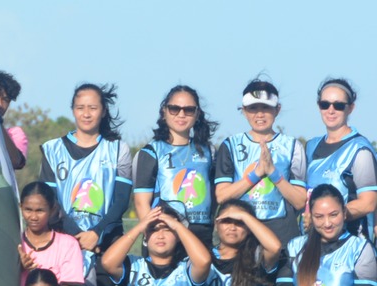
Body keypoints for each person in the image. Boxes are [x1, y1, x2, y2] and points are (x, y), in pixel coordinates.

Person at [40, 83, 132, 277]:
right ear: (73, 110)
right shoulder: (52, 149)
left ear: (104, 111)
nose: (86, 114)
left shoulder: (118, 149)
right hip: (64, 241)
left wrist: (97, 233)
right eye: (80, 108)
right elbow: (49, 200)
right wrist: (76, 237)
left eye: (93, 108)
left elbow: (122, 199)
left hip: (106, 243)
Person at [212, 79, 308, 241]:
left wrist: (272, 172)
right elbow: (222, 196)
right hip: (242, 235)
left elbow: (299, 201)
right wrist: (256, 174)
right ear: (244, 111)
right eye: (253, 108)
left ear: (277, 110)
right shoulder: (230, 145)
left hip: (282, 235)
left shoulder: (293, 146)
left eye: (266, 107)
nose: (260, 114)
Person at [133, 85, 217, 230]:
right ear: (164, 112)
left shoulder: (209, 151)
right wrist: (152, 235)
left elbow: (214, 197)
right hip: (165, 233)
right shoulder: (150, 152)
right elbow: (141, 203)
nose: (181, 114)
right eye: (174, 109)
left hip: (201, 234)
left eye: (189, 110)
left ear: (197, 115)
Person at [303, 78, 377, 239]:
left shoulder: (360, 150)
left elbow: (368, 203)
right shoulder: (311, 146)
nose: (331, 110)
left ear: (350, 108)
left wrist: (325, 220)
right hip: (314, 243)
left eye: (338, 105)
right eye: (325, 104)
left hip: (351, 243)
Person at [16, 182, 86, 286]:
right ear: (21, 207)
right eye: (28, 210)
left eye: (40, 211)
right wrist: (17, 268)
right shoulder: (15, 243)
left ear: (52, 210)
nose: (33, 217)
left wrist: (34, 274)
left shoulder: (68, 245)